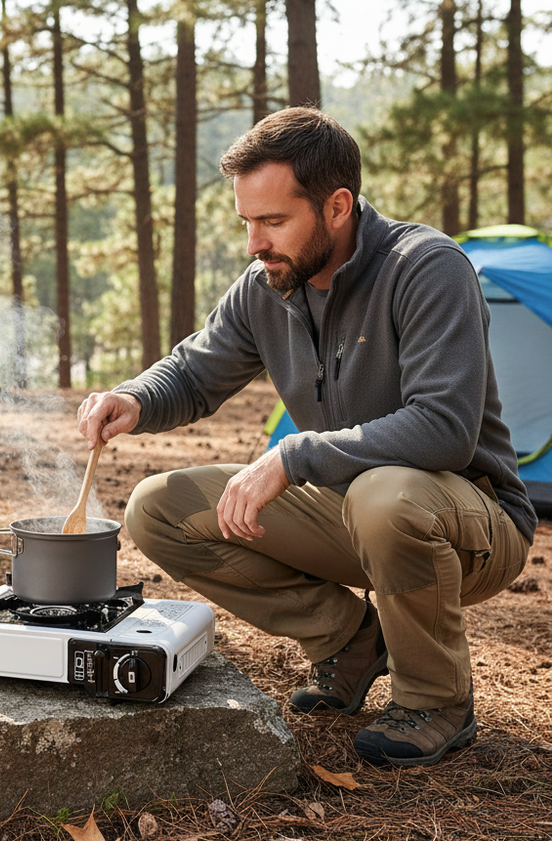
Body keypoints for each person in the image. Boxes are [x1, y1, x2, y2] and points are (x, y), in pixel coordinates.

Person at [76, 106, 535, 768]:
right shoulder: (268, 285)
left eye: (272, 221)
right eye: (246, 222)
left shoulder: (426, 267)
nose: (254, 243)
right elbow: (195, 371)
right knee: (158, 509)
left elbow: (444, 429)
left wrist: (294, 455)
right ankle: (348, 642)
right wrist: (135, 397)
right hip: (351, 511)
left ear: (337, 206)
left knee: (385, 497)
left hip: (470, 522)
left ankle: (436, 700)